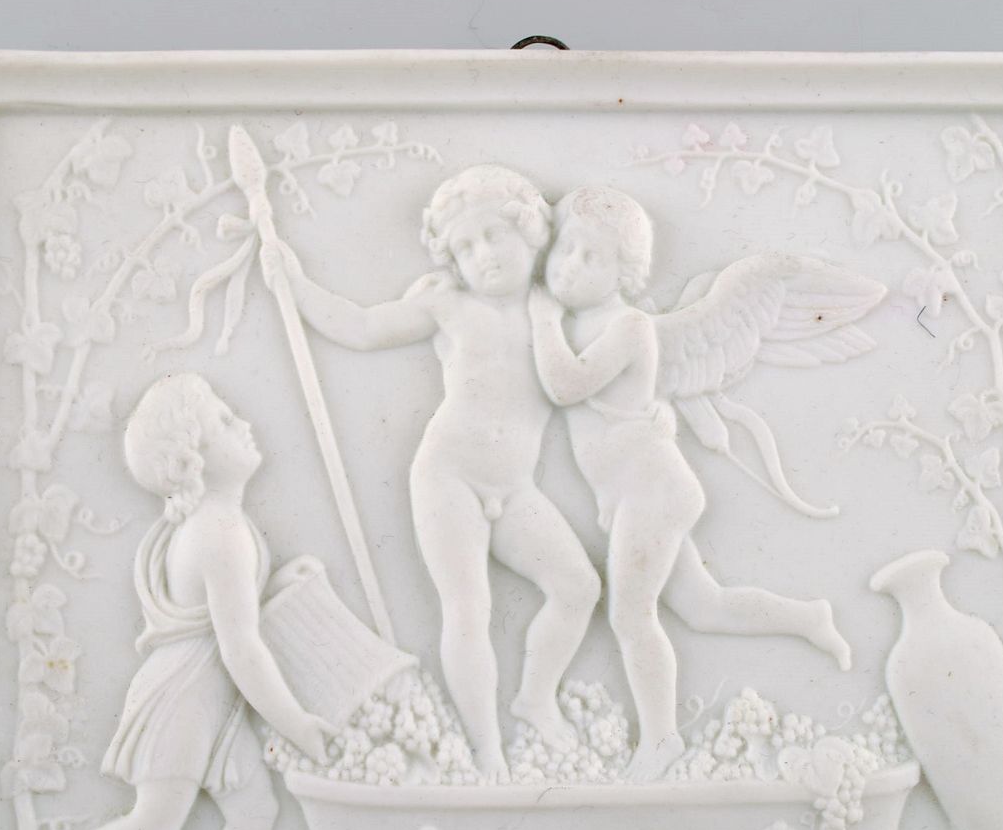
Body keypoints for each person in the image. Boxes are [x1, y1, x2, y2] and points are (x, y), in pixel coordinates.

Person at [267, 165, 600, 770]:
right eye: (465, 247)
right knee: (468, 608)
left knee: (579, 587)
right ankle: (487, 750)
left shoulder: (554, 306)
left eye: (494, 235)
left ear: (531, 231)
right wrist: (293, 282)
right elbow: (363, 328)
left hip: (514, 487)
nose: (483, 255)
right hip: (449, 477)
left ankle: (534, 698)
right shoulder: (448, 304)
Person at [530, 187, 852, 781]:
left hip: (652, 490)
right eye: (565, 248)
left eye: (591, 256)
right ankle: (809, 617)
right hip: (632, 492)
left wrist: (541, 319)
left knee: (631, 617)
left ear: (625, 274)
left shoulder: (628, 327)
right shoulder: (586, 323)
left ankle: (661, 742)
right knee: (706, 607)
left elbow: (565, 385)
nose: (569, 265)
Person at [16, 374, 332, 830]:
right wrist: (295, 723)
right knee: (156, 823)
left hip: (212, 700)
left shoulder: (220, 525)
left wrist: (276, 587)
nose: (243, 424)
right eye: (224, 422)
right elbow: (240, 649)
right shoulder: (221, 533)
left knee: (254, 813)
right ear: (193, 458)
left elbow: (222, 617)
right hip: (185, 698)